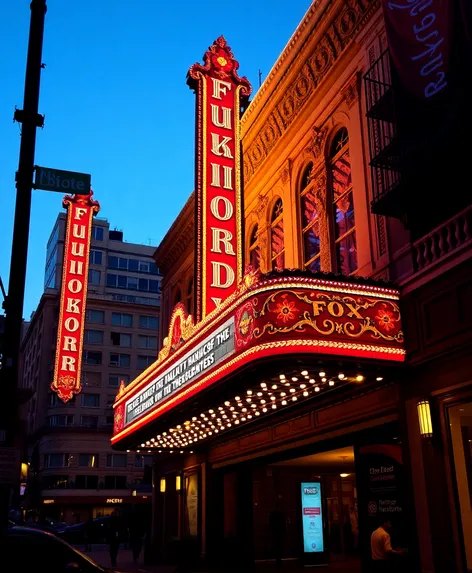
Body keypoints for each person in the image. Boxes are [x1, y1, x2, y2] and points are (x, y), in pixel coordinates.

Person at [269, 501, 286, 568]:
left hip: (276, 532)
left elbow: (271, 523)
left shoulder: (273, 514)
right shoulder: (280, 514)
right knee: (278, 545)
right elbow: (283, 524)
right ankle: (278, 559)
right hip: (278, 532)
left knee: (277, 545)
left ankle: (278, 559)